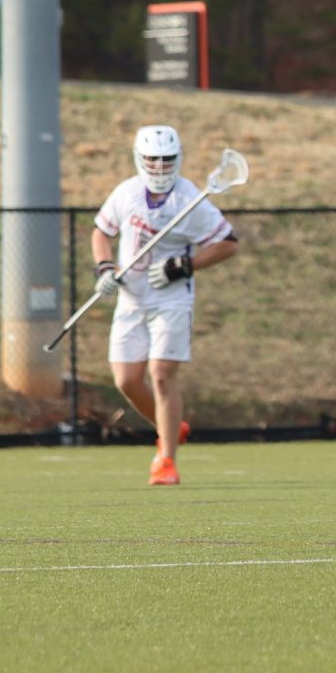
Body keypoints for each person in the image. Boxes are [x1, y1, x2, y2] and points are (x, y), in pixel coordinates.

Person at [92, 125, 239, 486]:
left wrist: (185, 265)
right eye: (152, 159)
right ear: (139, 159)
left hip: (171, 299)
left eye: (166, 159)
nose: (159, 166)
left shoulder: (189, 199)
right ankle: (172, 425)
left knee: (161, 373)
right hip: (131, 299)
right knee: (126, 380)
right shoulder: (126, 193)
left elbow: (227, 243)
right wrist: (105, 268)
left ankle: (166, 459)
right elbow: (101, 232)